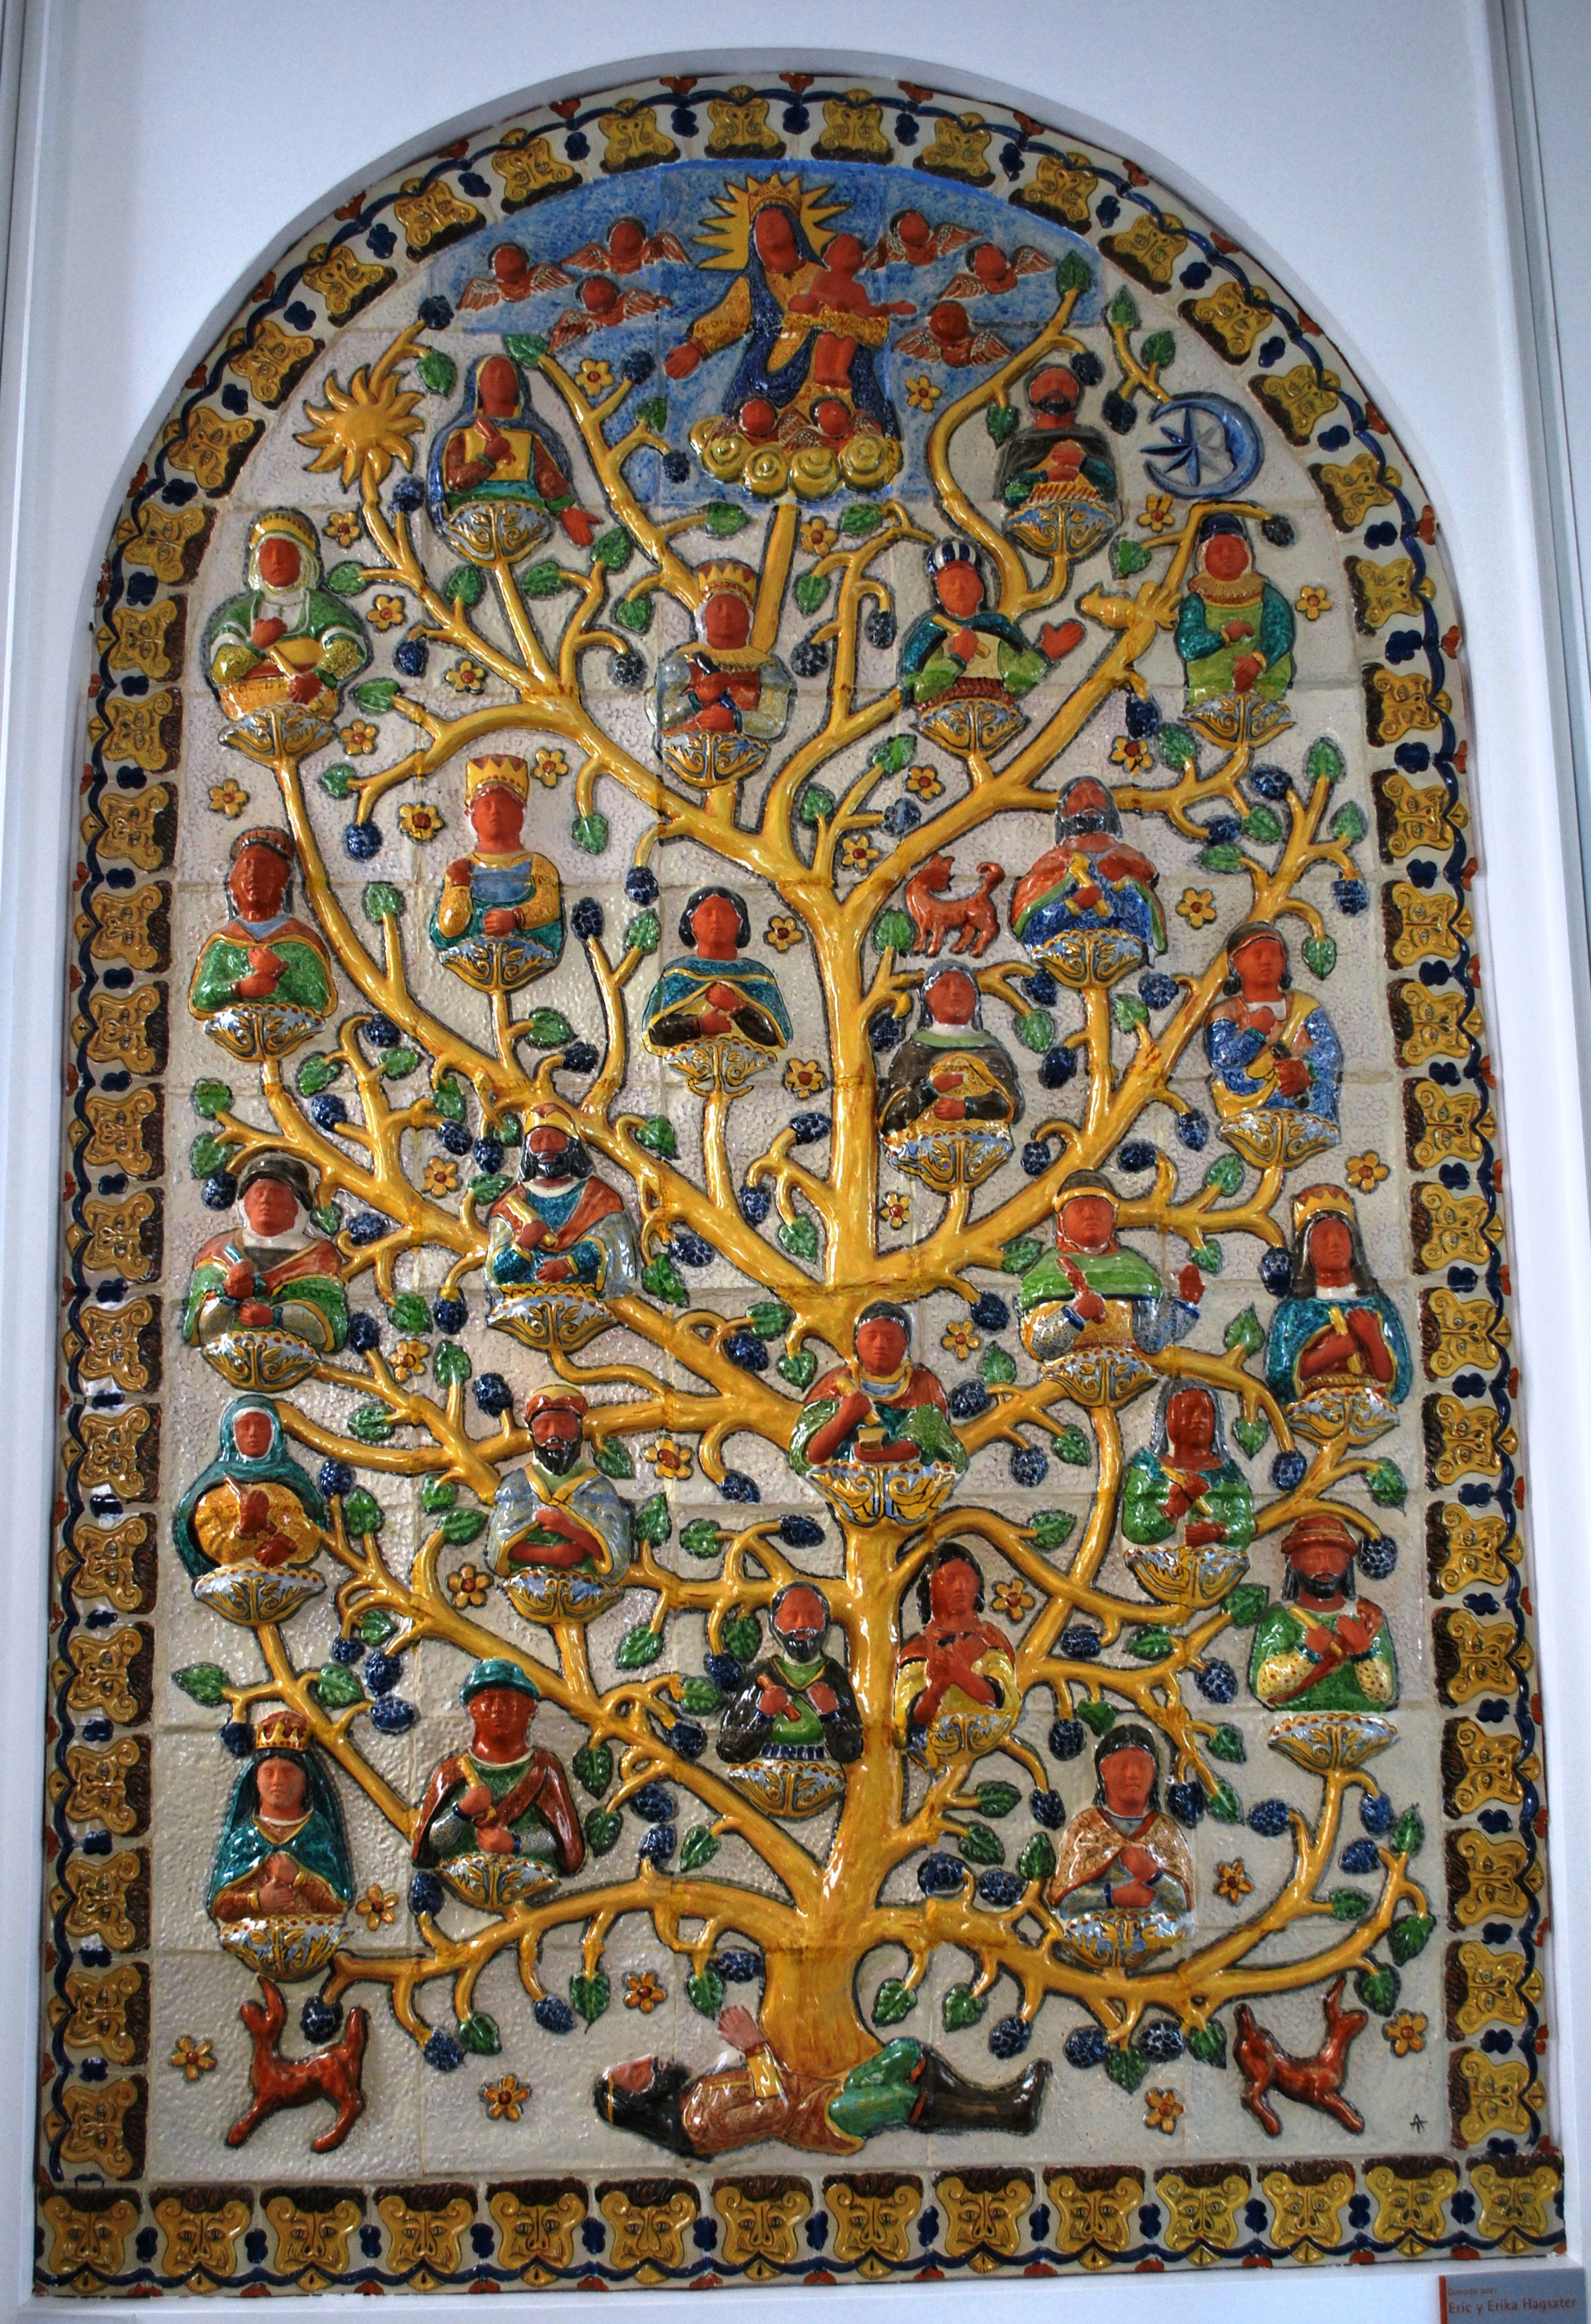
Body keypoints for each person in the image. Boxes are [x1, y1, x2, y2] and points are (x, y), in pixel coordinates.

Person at [596, 2003, 1049, 2158]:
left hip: (824, 2090)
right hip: (820, 2120)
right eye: (635, 2074)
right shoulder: (697, 2125)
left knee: (906, 2053)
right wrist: (754, 2046)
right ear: (640, 2101)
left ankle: (998, 2100)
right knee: (897, 2098)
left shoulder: (694, 2094)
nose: (646, 2061)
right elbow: (775, 2111)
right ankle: (1008, 2114)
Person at [665, 192, 901, 449]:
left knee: (834, 417)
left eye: (776, 221)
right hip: (766, 371)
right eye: (761, 225)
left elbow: (858, 317)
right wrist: (696, 347)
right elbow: (729, 318)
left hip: (821, 370)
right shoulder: (751, 285)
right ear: (752, 239)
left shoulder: (822, 276)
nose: (769, 228)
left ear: (794, 230)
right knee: (755, 417)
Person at [1018, 1171, 1200, 1396]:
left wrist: (1186, 1303)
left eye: (1098, 1207)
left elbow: (1153, 1339)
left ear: (1113, 1216)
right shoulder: (1045, 1274)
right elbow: (1039, 1344)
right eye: (1079, 1208)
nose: (1089, 1214)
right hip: (1063, 1382)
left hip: (1131, 1378)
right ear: (1062, 1221)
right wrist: (1075, 1315)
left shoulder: (1136, 1271)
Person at [789, 1301, 966, 1523]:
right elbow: (812, 1455)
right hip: (848, 1487)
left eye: (890, 1338)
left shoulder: (922, 1385)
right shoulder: (837, 1385)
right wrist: (847, 1416)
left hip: (909, 1491)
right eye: (871, 1336)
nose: (880, 1344)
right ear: (857, 1343)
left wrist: (879, 1455)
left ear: (905, 1345)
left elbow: (931, 1447)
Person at [1264, 1185, 1412, 1444]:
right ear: (1307, 1250)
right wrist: (1329, 1353)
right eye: (1323, 1237)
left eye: (1342, 1236)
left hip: (1371, 1413)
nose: (1334, 1244)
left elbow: (1396, 1381)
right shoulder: (1294, 1311)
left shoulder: (1377, 1305)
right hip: (1314, 1414)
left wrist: (1373, 1340)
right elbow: (1281, 1377)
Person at [484, 1109, 641, 1350]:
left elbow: (614, 1244)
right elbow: (497, 1273)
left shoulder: (600, 1197)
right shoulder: (511, 1204)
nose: (546, 1148)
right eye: (537, 1141)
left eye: (554, 1139)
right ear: (528, 1151)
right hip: (523, 1308)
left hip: (586, 1304)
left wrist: (570, 1264)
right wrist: (523, 1244)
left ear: (572, 1146)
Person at [900, 539, 1073, 757]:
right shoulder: (931, 633)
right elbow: (920, 689)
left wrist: (1045, 654)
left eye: (966, 580)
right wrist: (958, 659)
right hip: (942, 723)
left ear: (980, 589)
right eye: (950, 583)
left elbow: (1015, 679)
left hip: (996, 721)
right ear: (938, 594)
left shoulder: (996, 628)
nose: (959, 588)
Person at [184, 1152, 347, 1384]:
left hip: (295, 1366)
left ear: (297, 1205)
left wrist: (276, 1316)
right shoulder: (217, 1252)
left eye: (278, 1193)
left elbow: (332, 1328)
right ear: (244, 1203)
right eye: (258, 1193)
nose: (266, 1200)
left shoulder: (319, 1258)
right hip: (228, 1363)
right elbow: (198, 1330)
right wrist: (228, 1296)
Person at [414, 1658, 585, 1877]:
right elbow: (430, 1844)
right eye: (487, 1701)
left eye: (508, 1701)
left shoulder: (543, 1769)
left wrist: (515, 1843)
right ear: (472, 1709)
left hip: (528, 1886)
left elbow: (565, 1843)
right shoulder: (453, 1771)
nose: (497, 1710)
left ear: (529, 1709)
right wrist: (463, 1811)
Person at [203, 508, 370, 725]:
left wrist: (318, 678)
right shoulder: (242, 612)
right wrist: (255, 647)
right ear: (257, 563)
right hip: (251, 705)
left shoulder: (318, 605)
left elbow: (350, 649)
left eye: (285, 552)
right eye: (268, 554)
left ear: (302, 559)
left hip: (313, 706)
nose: (276, 560)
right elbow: (221, 671)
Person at [1045, 1725, 1194, 1965]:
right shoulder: (1087, 1828)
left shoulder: (1165, 1832)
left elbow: (1183, 1903)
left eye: (1142, 1766)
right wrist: (1113, 1896)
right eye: (1122, 1766)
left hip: (1159, 1949)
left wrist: (1154, 1875)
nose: (1133, 1774)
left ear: (1154, 1773)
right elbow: (1066, 1901)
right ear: (1103, 1771)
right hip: (1093, 1942)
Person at [427, 352, 596, 563]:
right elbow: (456, 481)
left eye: (506, 374)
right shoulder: (462, 437)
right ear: (478, 388)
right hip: (470, 526)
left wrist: (567, 510)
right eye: (491, 374)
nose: (499, 377)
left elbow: (548, 479)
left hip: (525, 525)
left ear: (518, 388)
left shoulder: (530, 438)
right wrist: (488, 458)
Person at [483, 1390, 633, 1621]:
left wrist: (568, 1528)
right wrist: (551, 1555)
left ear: (579, 1432)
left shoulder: (598, 1489)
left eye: (564, 1426)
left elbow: (616, 1556)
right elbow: (498, 1551)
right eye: (544, 1428)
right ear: (533, 1436)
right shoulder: (517, 1485)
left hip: (586, 1593)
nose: (554, 1435)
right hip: (530, 1591)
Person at [717, 1583, 863, 1819]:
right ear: (776, 1623)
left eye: (812, 1616)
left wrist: (831, 1714)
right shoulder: (762, 1676)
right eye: (792, 1617)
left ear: (825, 1623)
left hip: (820, 1782)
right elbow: (729, 1748)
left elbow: (851, 1749)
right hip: (762, 1781)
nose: (802, 1625)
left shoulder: (833, 1676)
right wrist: (763, 1715)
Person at [189, 827, 336, 1060]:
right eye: (246, 868)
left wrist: (279, 971)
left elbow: (321, 1000)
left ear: (282, 882)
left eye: (264, 869)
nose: (253, 876)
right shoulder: (224, 944)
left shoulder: (301, 941)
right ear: (233, 884)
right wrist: (239, 989)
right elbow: (201, 998)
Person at [1206, 921, 1342, 1168]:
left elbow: (1330, 1051)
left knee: (1323, 1082)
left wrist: (1306, 1070)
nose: (1266, 961)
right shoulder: (1226, 1012)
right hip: (1247, 1106)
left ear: (1285, 960)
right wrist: (1255, 1033)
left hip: (1302, 1107)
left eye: (1273, 954)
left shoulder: (1305, 1007)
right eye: (1257, 954)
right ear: (1236, 963)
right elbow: (1223, 1058)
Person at [878, 966, 1023, 1191]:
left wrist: (968, 1107)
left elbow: (1012, 1104)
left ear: (976, 999)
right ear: (928, 999)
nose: (955, 991)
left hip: (986, 1151)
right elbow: (892, 1117)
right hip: (922, 1153)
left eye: (963, 986)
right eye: (945, 986)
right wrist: (930, 1089)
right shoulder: (914, 1051)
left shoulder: (991, 1051)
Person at [429, 755, 564, 993]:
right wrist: (459, 885)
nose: (495, 812)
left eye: (504, 805)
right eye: (486, 806)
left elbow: (549, 906)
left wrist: (515, 918)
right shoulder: (461, 869)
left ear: (521, 814)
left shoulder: (538, 865)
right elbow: (448, 929)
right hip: (470, 962)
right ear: (471, 816)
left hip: (529, 959)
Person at [650, 561, 793, 784]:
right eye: (718, 608)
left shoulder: (766, 668)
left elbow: (774, 722)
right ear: (703, 619)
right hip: (683, 754)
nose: (726, 615)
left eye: (734, 609)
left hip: (742, 758)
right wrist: (697, 699)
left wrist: (735, 721)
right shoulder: (683, 662)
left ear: (749, 619)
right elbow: (659, 713)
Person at [208, 1708, 353, 1928]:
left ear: (306, 1780)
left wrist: (299, 1878)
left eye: (288, 1772)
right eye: (269, 1772)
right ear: (256, 1780)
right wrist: (257, 1900)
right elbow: (221, 1906)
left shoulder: (317, 1834)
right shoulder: (245, 1838)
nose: (277, 1781)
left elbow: (337, 1904)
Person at [1008, 778, 1165, 976]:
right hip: (1063, 960)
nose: (1088, 802)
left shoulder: (1128, 861)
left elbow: (1144, 927)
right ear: (1063, 812)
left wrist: (1123, 892)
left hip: (1119, 957)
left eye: (1096, 795)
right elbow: (1033, 930)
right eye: (1079, 797)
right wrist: (1074, 905)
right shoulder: (1053, 865)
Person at [642, 886, 791, 1093]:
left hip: (750, 1074)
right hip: (690, 1069)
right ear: (691, 924)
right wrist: (700, 1025)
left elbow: (774, 1035)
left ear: (741, 924)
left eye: (726, 913)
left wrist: (736, 1007)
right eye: (707, 913)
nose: (716, 920)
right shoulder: (678, 975)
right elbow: (657, 1031)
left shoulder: (757, 976)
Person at [1248, 1514, 1399, 1711]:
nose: (1325, 1567)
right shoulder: (1280, 1618)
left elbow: (1384, 1695)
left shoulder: (1367, 1617)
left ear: (1347, 1563)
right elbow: (1264, 1687)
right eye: (1315, 1558)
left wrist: (1362, 1648)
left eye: (1334, 1558)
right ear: (1294, 1562)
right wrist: (1308, 1653)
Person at [893, 1546, 1020, 1768]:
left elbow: (1004, 1700)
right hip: (934, 1749)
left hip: (991, 1750)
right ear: (930, 1588)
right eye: (950, 1579)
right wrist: (938, 1686)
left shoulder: (989, 1640)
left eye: (966, 1579)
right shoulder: (919, 1649)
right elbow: (908, 1718)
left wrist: (960, 1673)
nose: (959, 1587)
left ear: (978, 1585)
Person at [1173, 513, 1294, 742]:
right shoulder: (1197, 601)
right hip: (1209, 702)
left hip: (1267, 700)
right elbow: (1188, 645)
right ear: (1204, 557)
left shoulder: (1266, 594)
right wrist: (1224, 636)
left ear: (1246, 554)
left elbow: (1281, 632)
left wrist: (1258, 661)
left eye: (1233, 548)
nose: (1227, 555)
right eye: (1218, 550)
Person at [173, 1398, 323, 1579]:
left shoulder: (292, 1483)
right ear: (232, 1435)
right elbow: (204, 1540)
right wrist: (243, 1532)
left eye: (261, 1426)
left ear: (274, 1433)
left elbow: (312, 1530)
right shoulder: (212, 1492)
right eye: (245, 1426)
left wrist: (290, 1546)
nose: (253, 1433)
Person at [997, 365, 1120, 568]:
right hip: (1034, 530)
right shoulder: (1023, 444)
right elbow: (1010, 495)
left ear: (1076, 396)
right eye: (1047, 384)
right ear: (1032, 395)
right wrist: (1046, 476)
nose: (1056, 388)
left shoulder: (1092, 440)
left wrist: (1082, 462)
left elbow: (1109, 488)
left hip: (1090, 527)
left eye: (1064, 384)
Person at [1121, 1384, 1255, 1555]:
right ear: (1169, 1418)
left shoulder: (1228, 1474)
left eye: (1205, 1414)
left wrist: (1218, 1531)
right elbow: (1134, 1528)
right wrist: (1173, 1508)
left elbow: (1244, 1525)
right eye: (1189, 1412)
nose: (1199, 1419)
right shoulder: (1146, 1467)